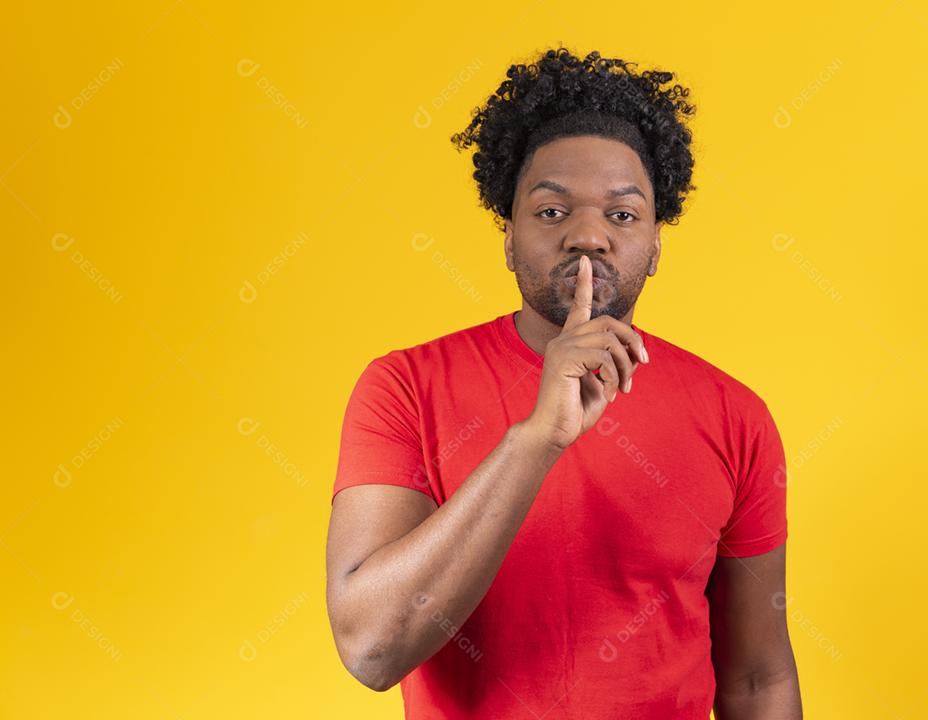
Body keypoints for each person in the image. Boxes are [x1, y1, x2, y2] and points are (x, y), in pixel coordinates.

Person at [326, 46, 802, 719]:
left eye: (622, 214)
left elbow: (759, 680)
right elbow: (372, 649)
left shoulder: (735, 415)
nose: (588, 236)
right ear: (510, 240)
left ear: (656, 245)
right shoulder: (403, 387)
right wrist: (537, 440)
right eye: (552, 212)